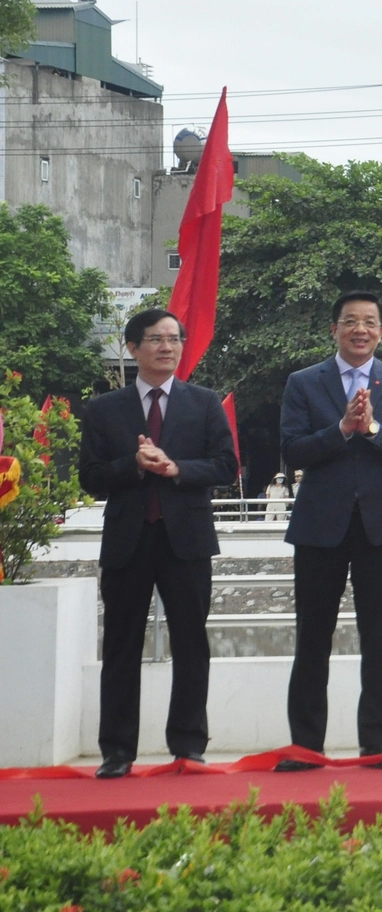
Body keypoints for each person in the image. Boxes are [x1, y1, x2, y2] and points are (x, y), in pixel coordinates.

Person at [78, 308, 239, 778]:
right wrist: (134, 464)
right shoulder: (105, 408)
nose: (167, 347)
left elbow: (226, 468)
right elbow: (90, 478)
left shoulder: (204, 402)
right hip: (128, 541)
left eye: (174, 338)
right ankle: (117, 752)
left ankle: (188, 746)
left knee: (192, 644)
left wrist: (176, 469)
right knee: (122, 646)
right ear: (133, 348)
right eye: (155, 339)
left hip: (186, 540)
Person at [276, 291, 382, 770]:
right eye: (349, 321)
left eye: (369, 322)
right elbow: (293, 451)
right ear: (334, 329)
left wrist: (375, 430)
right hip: (321, 526)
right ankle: (305, 747)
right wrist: (341, 429)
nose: (360, 329)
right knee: (312, 638)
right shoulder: (304, 382)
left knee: (379, 638)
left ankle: (378, 744)